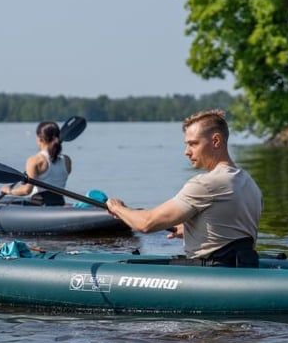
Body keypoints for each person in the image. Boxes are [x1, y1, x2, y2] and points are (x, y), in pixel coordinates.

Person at [106, 109, 263, 267]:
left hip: (211, 272)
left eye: (193, 144)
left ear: (216, 141)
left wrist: (118, 208)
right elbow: (230, 228)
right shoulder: (248, 182)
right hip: (242, 265)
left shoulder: (205, 184)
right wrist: (192, 230)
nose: (186, 152)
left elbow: (146, 223)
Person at [1, 121, 72, 205]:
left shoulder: (35, 160)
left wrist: (9, 190)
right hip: (59, 203)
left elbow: (26, 190)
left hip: (39, 205)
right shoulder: (67, 160)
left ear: (40, 139)